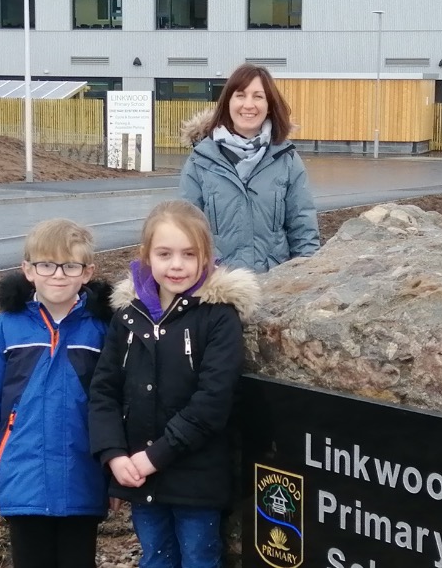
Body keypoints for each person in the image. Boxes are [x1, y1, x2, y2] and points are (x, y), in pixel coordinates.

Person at [89, 199, 260, 568]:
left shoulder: (217, 317)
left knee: (199, 558)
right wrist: (113, 454)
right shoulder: (127, 317)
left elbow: (212, 401)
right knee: (155, 558)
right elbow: (104, 390)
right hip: (139, 477)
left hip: (195, 478)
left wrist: (155, 457)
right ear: (146, 256)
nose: (177, 265)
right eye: (165, 253)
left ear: (206, 257)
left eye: (189, 253)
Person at [0, 218, 114, 568]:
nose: (58, 275)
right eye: (46, 265)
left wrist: (115, 478)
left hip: (84, 479)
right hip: (23, 479)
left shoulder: (103, 330)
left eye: (70, 266)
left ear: (87, 272)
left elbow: (118, 404)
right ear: (28, 270)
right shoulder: (3, 329)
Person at [179, 63, 320, 273]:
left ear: (269, 105)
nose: (248, 104)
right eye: (240, 95)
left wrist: (308, 280)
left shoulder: (287, 160)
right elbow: (184, 233)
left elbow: (304, 231)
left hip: (275, 287)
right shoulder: (200, 161)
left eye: (258, 96)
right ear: (228, 102)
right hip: (218, 291)